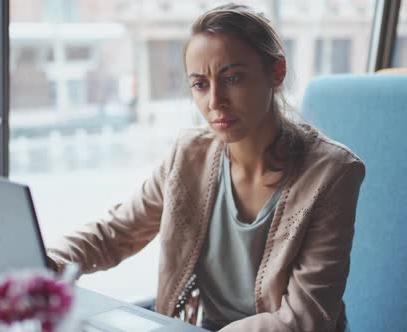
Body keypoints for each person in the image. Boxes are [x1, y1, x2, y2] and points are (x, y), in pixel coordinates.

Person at [47, 3, 365, 332]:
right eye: (200, 84)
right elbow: (115, 233)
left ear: (277, 72)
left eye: (233, 78)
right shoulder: (188, 158)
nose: (215, 101)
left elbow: (303, 319)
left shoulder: (332, 174)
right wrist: (46, 260)